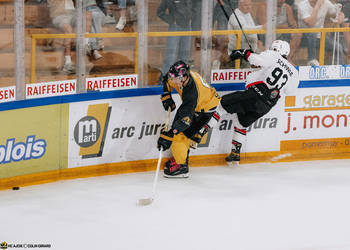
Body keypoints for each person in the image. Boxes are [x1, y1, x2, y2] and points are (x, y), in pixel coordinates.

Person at [219, 40, 299, 165]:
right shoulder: (294, 72)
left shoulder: (274, 55)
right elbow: (289, 91)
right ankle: (235, 154)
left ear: (276, 49)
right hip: (266, 106)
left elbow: (256, 60)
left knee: (221, 105)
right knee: (241, 123)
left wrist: (244, 53)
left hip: (254, 96)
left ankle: (197, 135)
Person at [157, 61, 221, 178]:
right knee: (180, 130)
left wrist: (169, 135)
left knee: (180, 134)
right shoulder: (180, 76)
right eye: (173, 77)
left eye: (175, 78)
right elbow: (166, 79)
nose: (173, 80)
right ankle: (181, 157)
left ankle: (182, 167)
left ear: (184, 77)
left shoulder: (192, 92)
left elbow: (185, 121)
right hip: (197, 104)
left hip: (204, 110)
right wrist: (167, 95)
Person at [297, 0, 345, 65]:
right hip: (303, 38)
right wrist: (317, 6)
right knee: (312, 32)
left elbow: (337, 13)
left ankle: (337, 69)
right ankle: (312, 61)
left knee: (338, 47)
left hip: (319, 37)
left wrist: (340, 17)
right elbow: (311, 23)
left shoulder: (326, 2)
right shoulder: (302, 5)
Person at [157, 0, 192, 84]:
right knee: (170, 56)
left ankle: (183, 79)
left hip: (187, 26)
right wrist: (172, 20)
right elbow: (159, 12)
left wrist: (190, 17)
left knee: (184, 55)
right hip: (175, 27)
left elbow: (194, 8)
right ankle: (164, 79)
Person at [228, 0, 265, 68]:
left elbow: (252, 28)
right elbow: (244, 29)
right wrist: (261, 27)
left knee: (264, 61)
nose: (249, 7)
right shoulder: (235, 16)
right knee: (246, 71)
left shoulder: (247, 14)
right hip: (241, 51)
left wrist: (258, 40)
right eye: (246, 5)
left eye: (250, 5)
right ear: (240, 5)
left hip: (252, 49)